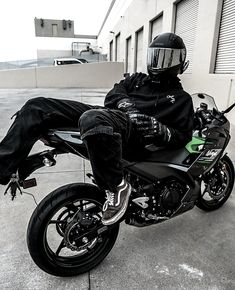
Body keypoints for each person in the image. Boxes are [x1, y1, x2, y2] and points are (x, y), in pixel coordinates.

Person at [0, 32, 194, 226]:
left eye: (167, 57)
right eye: (156, 55)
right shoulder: (137, 80)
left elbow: (183, 135)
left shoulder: (181, 99)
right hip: (110, 118)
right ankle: (4, 166)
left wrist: (161, 130)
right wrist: (126, 105)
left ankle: (116, 186)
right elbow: (113, 94)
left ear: (180, 61)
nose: (159, 62)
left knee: (91, 118)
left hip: (134, 136)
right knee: (36, 106)